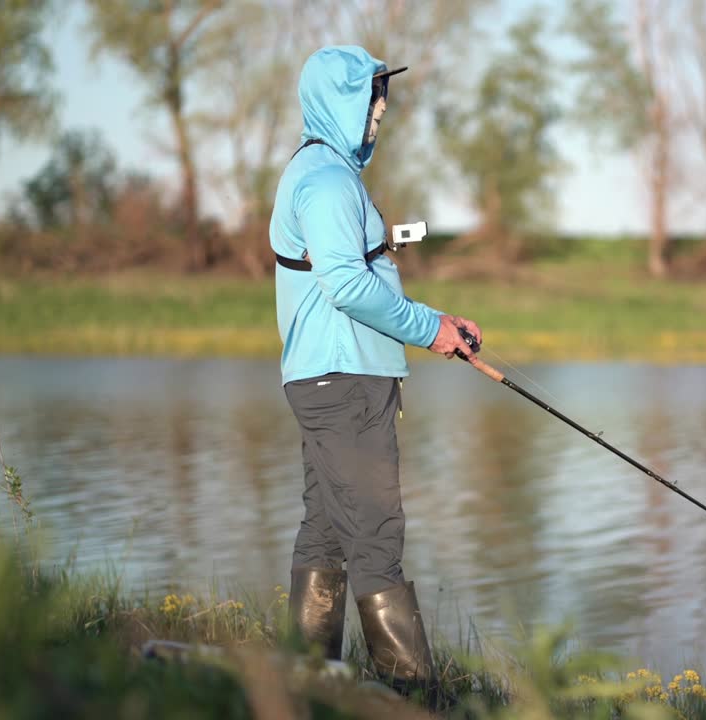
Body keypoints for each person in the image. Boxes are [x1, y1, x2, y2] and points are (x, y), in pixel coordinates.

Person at [268, 45, 482, 690]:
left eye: (382, 92)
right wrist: (430, 330)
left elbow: (357, 272)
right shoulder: (329, 181)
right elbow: (346, 287)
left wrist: (435, 319)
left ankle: (310, 685)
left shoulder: (323, 173)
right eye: (373, 94)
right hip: (344, 382)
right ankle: (411, 697)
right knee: (376, 537)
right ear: (342, 101)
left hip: (331, 377)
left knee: (328, 533)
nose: (383, 108)